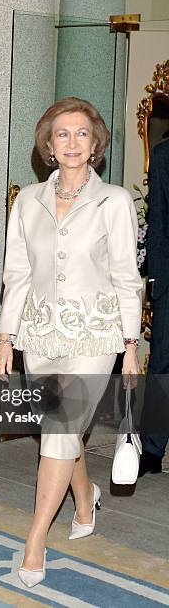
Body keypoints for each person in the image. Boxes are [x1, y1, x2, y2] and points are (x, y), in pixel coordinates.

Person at [0, 97, 142, 588]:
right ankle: (85, 497)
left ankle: (35, 541)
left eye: (82, 133)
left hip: (93, 336)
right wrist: (5, 336)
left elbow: (126, 277)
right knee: (62, 431)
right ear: (48, 145)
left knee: (58, 429)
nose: (72, 142)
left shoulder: (114, 201)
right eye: (63, 134)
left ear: (96, 143)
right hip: (38, 334)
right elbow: (16, 273)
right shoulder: (27, 200)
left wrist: (130, 344)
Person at [139, 138, 169, 476]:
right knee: (162, 363)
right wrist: (156, 281)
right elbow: (157, 221)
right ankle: (152, 449)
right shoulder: (163, 155)